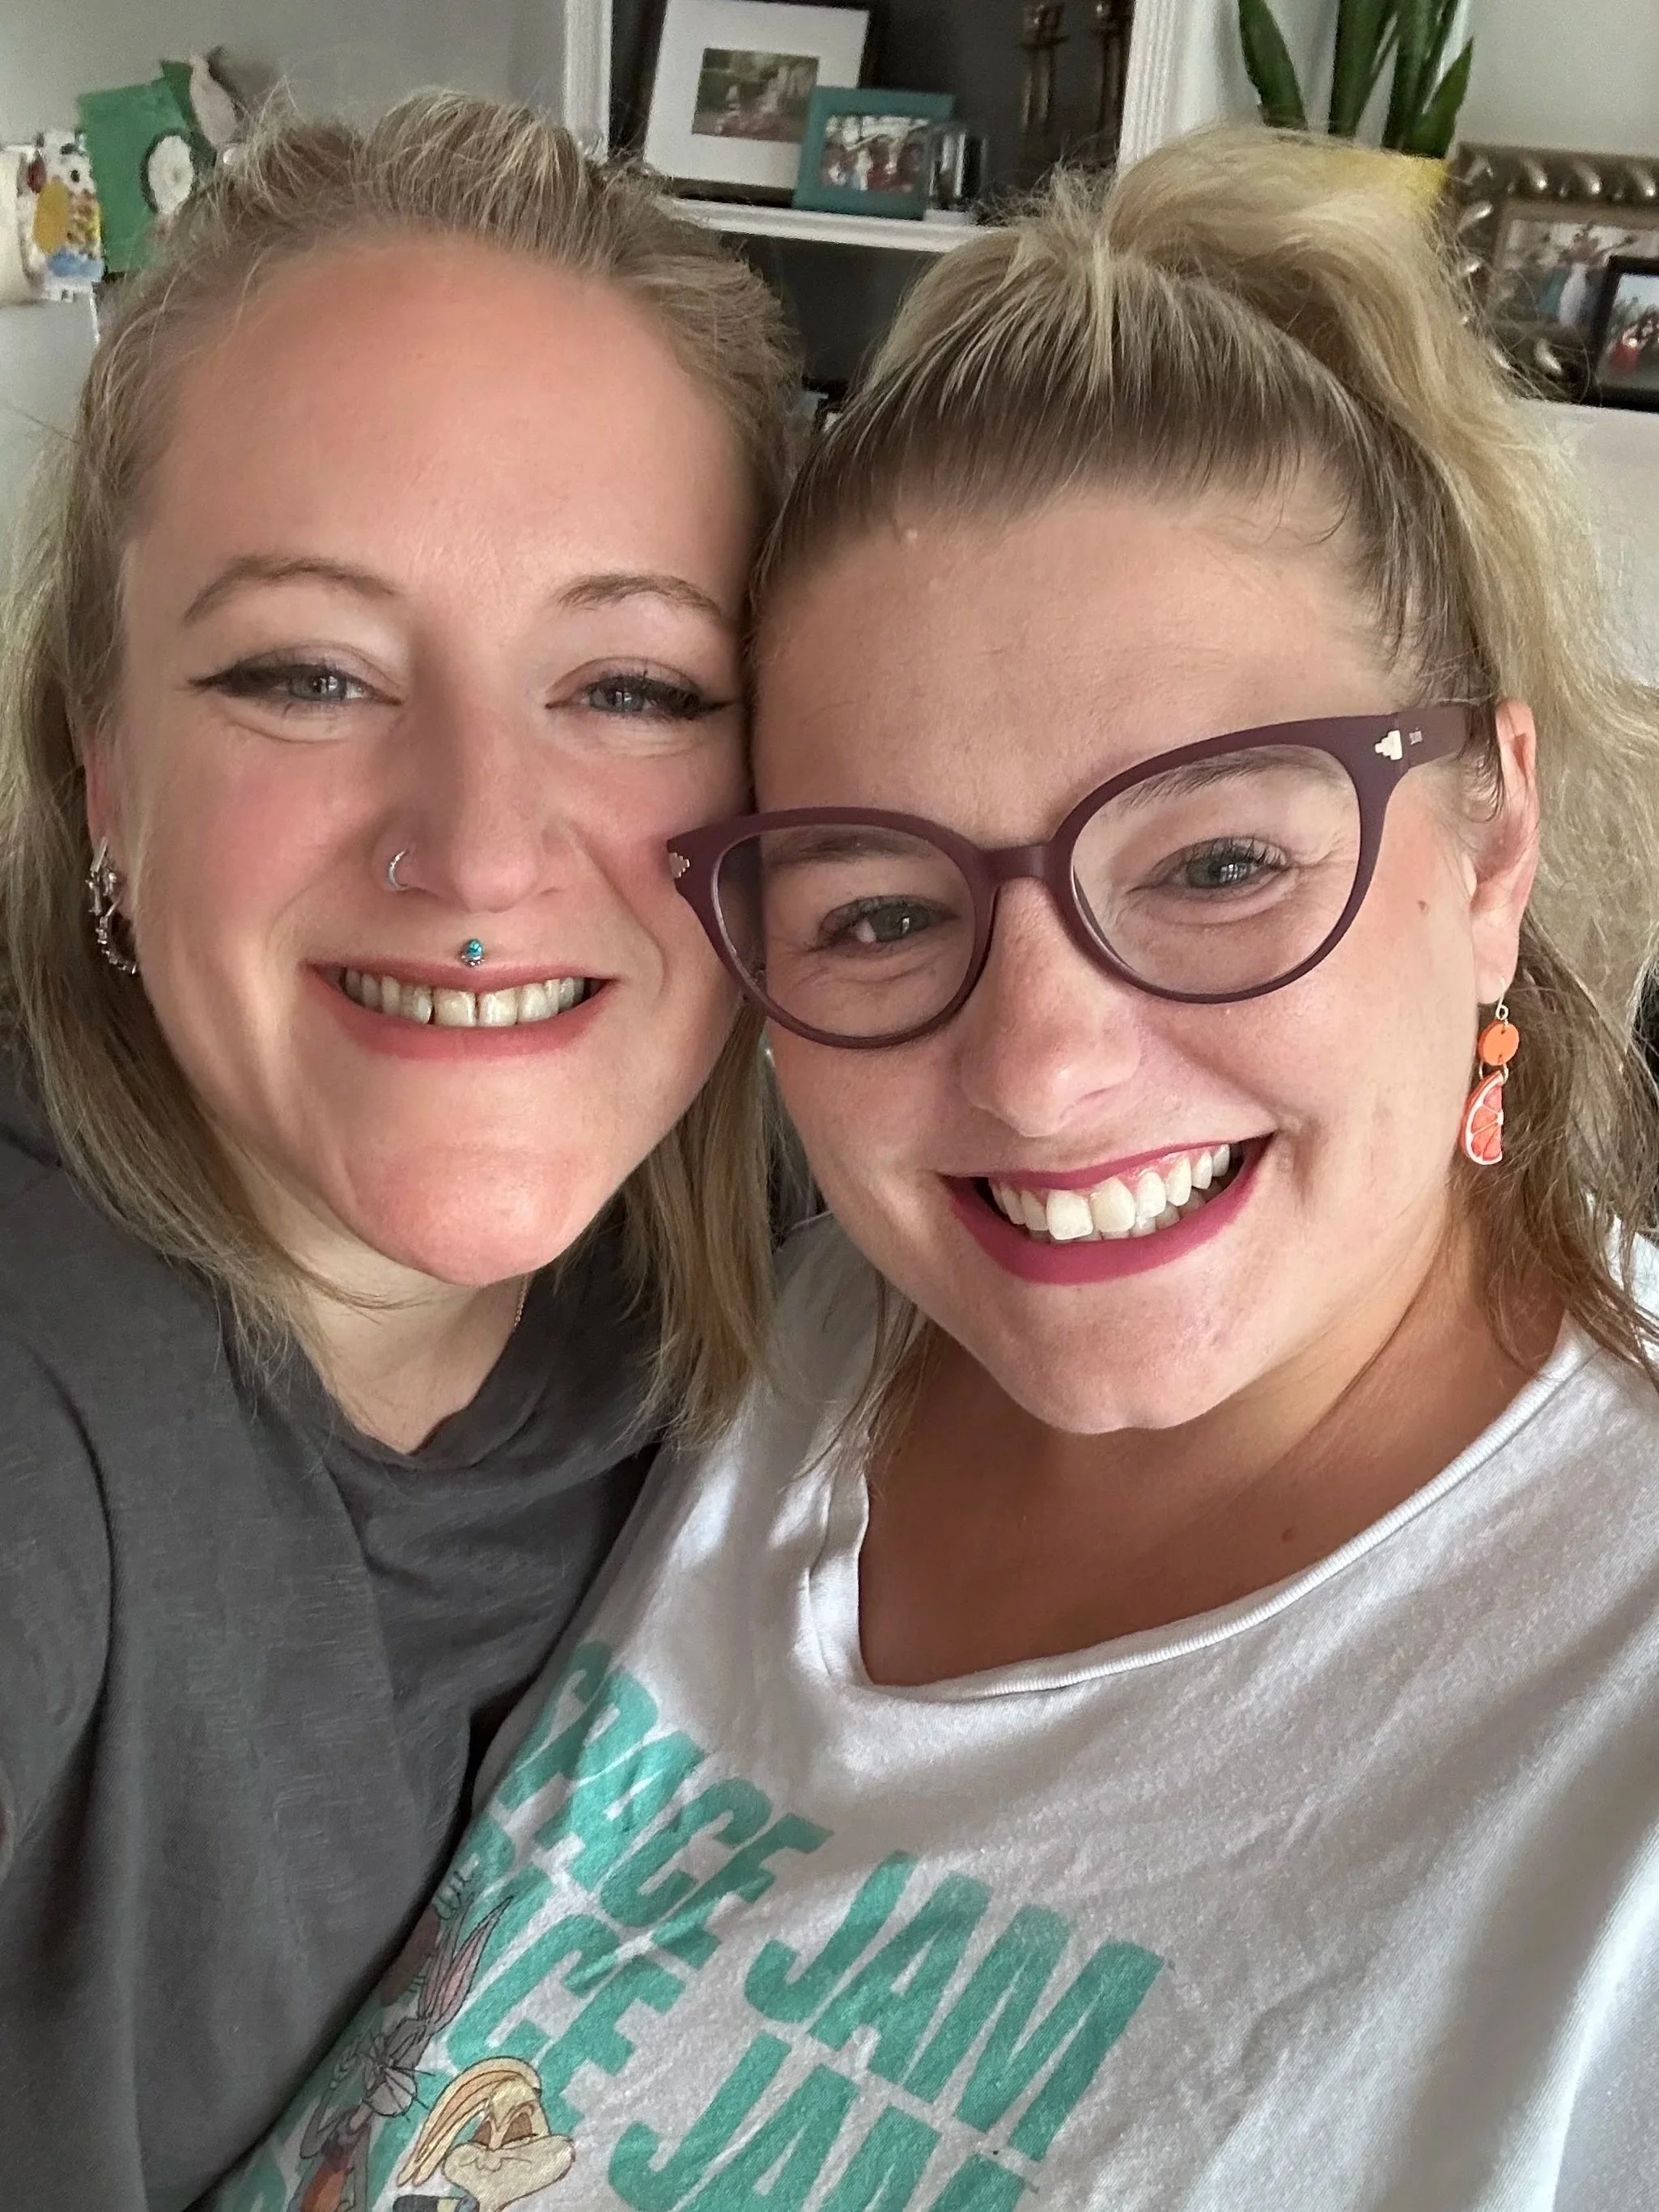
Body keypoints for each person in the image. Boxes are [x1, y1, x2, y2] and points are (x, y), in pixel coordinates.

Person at [215, 130, 1659, 2210]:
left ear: (1489, 843)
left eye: (1217, 863)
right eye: (880, 909)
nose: (1043, 1073)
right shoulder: (764, 1350)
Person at [0, 92, 798, 2212]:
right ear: (102, 764)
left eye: (630, 686)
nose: (476, 845)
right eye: (309, 672)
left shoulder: (804, 1257)